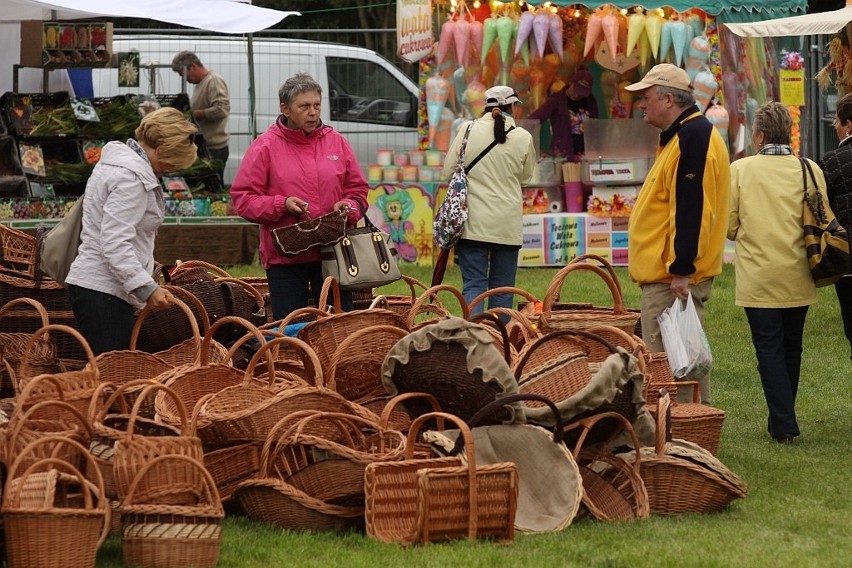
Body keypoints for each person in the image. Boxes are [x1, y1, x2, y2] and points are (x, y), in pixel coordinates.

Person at [624, 63, 730, 405]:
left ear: (668, 99)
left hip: (673, 279)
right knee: (684, 360)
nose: (642, 104)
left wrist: (682, 267)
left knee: (674, 365)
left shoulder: (692, 137)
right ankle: (692, 429)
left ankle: (684, 434)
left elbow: (691, 208)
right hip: (670, 276)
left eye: (647, 97)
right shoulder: (685, 134)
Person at [230, 73, 368, 321]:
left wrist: (348, 206)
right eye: (304, 106)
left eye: (316, 105)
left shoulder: (337, 142)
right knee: (291, 328)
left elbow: (358, 190)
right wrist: (281, 204)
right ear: (285, 108)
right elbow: (243, 199)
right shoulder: (265, 146)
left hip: (333, 252)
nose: (312, 112)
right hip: (285, 258)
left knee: (339, 324)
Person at [728, 102, 827, 444]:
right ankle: (782, 419)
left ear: (759, 135)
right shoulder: (809, 168)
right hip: (799, 272)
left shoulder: (740, 170)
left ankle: (784, 423)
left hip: (759, 275)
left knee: (769, 348)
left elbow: (728, 225)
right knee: (791, 348)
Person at [66, 107, 198, 355]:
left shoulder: (117, 163)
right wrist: (147, 288)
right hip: (104, 289)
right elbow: (115, 244)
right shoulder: (132, 180)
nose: (169, 170)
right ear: (159, 150)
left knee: (110, 371)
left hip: (102, 286)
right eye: (170, 163)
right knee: (113, 375)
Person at [440, 85, 536, 313]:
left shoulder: (467, 129)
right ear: (512, 106)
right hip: (506, 225)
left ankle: (473, 340)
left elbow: (447, 173)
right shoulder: (523, 137)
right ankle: (498, 342)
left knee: (474, 285)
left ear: (485, 106)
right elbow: (526, 178)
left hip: (472, 224)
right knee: (503, 289)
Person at [818, 92, 852, 362]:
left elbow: (823, 211)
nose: (837, 129)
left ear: (848, 124)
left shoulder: (830, 162)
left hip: (847, 262)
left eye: (838, 123)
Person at [171, 50, 230, 183]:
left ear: (192, 66)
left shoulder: (213, 81)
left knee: (211, 187)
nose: (184, 78)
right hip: (205, 146)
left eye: (183, 74)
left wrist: (193, 114)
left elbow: (221, 110)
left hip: (213, 149)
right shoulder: (202, 83)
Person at [528, 68, 598, 161]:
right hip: (563, 156)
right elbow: (533, 120)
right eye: (576, 90)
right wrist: (536, 150)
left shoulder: (590, 102)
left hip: (587, 156)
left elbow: (596, 127)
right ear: (571, 82)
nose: (578, 95)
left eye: (582, 93)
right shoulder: (556, 100)